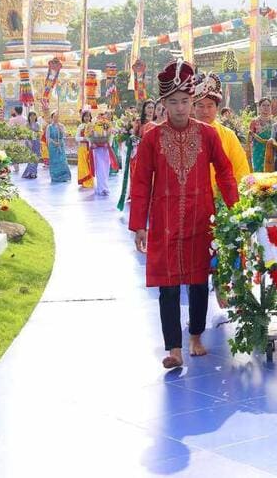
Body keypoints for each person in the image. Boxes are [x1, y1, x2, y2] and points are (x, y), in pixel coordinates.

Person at [129, 60, 239, 370]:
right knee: (168, 286)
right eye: (173, 102)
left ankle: (195, 336)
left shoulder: (208, 135)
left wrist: (236, 212)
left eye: (185, 101)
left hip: (201, 217)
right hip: (163, 223)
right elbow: (140, 182)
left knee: (198, 280)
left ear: (192, 101)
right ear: (163, 104)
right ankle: (174, 348)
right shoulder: (151, 138)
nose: (180, 108)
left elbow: (226, 173)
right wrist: (140, 225)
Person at [192, 72, 250, 187]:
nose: (205, 111)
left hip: (221, 200)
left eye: (210, 106)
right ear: (193, 108)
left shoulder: (228, 136)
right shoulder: (182, 135)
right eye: (201, 106)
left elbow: (241, 171)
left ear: (217, 108)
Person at [89, 112, 118, 196]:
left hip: (106, 150)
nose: (101, 118)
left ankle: (105, 187)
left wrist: (108, 143)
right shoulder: (93, 126)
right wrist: (92, 144)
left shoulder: (108, 126)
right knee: (100, 169)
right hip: (98, 151)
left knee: (105, 169)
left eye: (102, 117)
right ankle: (101, 188)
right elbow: (90, 136)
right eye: (99, 117)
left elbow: (111, 137)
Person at [249, 97, 275, 172]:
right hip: (258, 153)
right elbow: (249, 139)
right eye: (263, 105)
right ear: (259, 107)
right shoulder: (254, 122)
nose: (266, 108)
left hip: (271, 152)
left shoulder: (274, 123)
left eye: (268, 105)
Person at [46, 110, 72, 183]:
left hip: (60, 144)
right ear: (52, 117)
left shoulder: (61, 126)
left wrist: (62, 130)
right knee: (54, 161)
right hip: (53, 145)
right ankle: (55, 177)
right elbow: (48, 137)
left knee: (62, 160)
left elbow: (65, 134)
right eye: (54, 117)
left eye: (57, 117)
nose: (56, 118)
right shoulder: (49, 127)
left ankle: (64, 176)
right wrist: (54, 143)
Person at [76, 108, 94, 189]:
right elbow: (76, 138)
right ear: (83, 117)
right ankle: (84, 181)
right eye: (85, 116)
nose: (87, 118)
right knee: (83, 165)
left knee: (90, 164)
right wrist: (84, 138)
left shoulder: (92, 126)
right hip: (82, 148)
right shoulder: (81, 126)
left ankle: (90, 181)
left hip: (90, 148)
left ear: (90, 117)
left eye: (88, 116)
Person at [22, 111, 42, 179]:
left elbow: (39, 134)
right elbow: (25, 135)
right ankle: (29, 173)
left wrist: (39, 142)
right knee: (31, 158)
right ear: (29, 117)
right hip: (29, 142)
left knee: (36, 158)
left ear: (36, 117)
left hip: (36, 142)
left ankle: (34, 173)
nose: (33, 117)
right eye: (31, 116)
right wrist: (29, 142)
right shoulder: (27, 124)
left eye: (34, 115)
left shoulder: (38, 124)